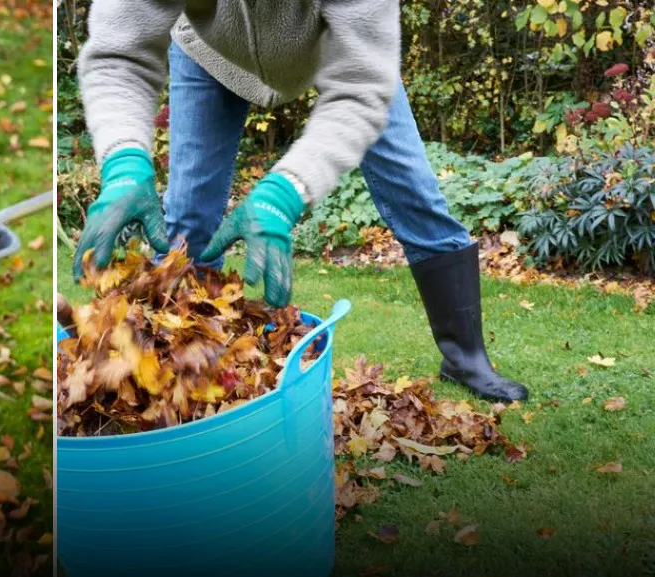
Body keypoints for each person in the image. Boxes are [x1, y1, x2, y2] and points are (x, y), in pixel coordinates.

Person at [69, 0, 528, 402]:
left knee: (414, 193)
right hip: (208, 54)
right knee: (189, 220)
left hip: (343, 54)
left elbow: (362, 88)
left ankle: (466, 359)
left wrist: (283, 193)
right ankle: (177, 365)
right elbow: (118, 51)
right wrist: (124, 162)